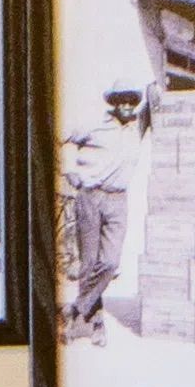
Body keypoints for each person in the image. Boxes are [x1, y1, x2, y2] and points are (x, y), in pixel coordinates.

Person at [58, 82, 145, 337]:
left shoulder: (138, 126)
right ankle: (95, 324)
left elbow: (155, 98)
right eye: (121, 101)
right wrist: (69, 170)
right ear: (114, 103)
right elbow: (63, 138)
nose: (126, 105)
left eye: (130, 100)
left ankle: (74, 311)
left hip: (118, 200)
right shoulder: (95, 124)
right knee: (88, 265)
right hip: (90, 197)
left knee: (109, 263)